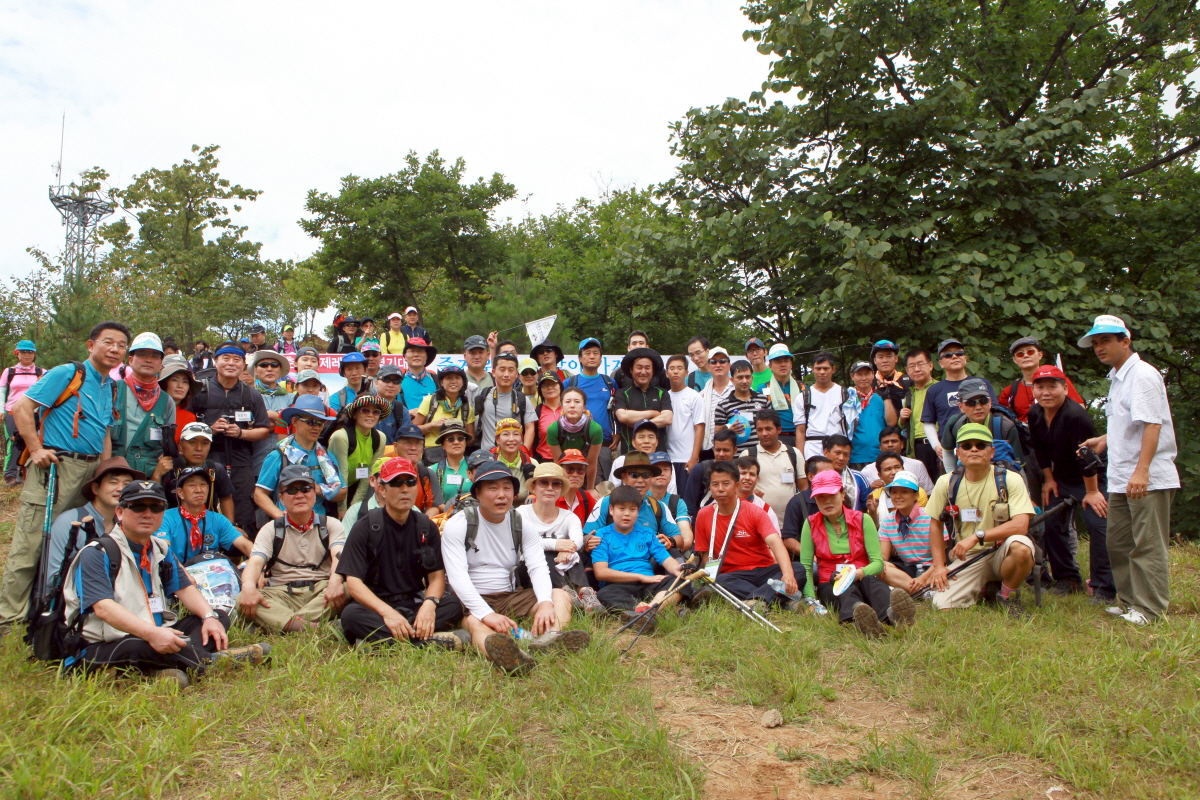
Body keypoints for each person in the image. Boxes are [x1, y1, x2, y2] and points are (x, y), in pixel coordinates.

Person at [61, 480, 268, 687]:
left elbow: (185, 587)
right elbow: (103, 608)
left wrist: (208, 617)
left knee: (216, 617)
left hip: (157, 629)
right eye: (138, 506)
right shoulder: (97, 553)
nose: (147, 513)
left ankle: (157, 672)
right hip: (104, 643)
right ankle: (211, 663)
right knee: (138, 645)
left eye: (156, 507)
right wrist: (151, 634)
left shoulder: (159, 548)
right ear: (120, 512)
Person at [0, 321, 127, 634]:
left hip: (89, 470)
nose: (114, 349)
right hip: (56, 467)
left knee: (76, 538)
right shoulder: (68, 373)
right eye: (108, 342)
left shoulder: (109, 385)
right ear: (90, 345)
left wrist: (106, 470)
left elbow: (105, 431)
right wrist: (36, 448)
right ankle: (11, 620)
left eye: (121, 345)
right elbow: (22, 407)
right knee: (31, 542)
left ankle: (55, 609)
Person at [441, 461, 591, 674]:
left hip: (510, 596)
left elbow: (538, 566)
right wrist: (487, 614)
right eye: (492, 488)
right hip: (471, 600)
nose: (501, 495)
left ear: (515, 492)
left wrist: (545, 603)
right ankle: (510, 661)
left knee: (560, 596)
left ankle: (549, 640)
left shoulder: (520, 523)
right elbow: (457, 577)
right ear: (478, 493)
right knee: (476, 623)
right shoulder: (459, 524)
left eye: (506, 488)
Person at [1078, 315, 1178, 624]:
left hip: (1146, 476)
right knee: (1118, 542)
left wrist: (1142, 470)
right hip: (1122, 476)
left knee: (1146, 544)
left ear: (1126, 340)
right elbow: (1130, 421)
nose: (1099, 347)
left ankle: (1150, 610)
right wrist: (1104, 439)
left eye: (1106, 340)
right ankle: (1130, 601)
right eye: (1095, 343)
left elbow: (1153, 424)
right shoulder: (1118, 377)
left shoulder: (1143, 375)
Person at [918, 422, 1036, 616]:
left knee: (1022, 546)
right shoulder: (946, 482)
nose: (974, 449)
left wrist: (977, 536)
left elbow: (1021, 525)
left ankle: (1008, 595)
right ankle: (984, 588)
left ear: (991, 452)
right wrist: (939, 566)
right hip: (969, 556)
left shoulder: (1010, 479)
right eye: (967, 445)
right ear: (958, 452)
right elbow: (935, 525)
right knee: (942, 605)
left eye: (981, 445)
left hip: (1002, 550)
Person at [1027, 365, 1114, 601]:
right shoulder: (1035, 413)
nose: (1046, 392)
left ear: (1064, 388)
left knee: (1097, 525)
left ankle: (1104, 587)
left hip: (1091, 475)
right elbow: (1040, 449)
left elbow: (1086, 456)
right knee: (1053, 523)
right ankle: (1068, 578)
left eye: (1052, 387)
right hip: (1061, 476)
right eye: (1040, 387)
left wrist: (1093, 492)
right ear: (1033, 389)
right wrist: (1049, 479)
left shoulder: (1076, 416)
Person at [799, 470, 913, 636]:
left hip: (862, 574)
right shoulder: (810, 524)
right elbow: (806, 565)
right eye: (820, 497)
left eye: (832, 495)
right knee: (844, 589)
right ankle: (859, 618)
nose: (827, 501)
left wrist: (858, 573)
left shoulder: (863, 519)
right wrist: (810, 600)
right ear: (815, 500)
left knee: (873, 584)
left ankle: (894, 615)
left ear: (843, 494)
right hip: (831, 582)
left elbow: (878, 563)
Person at [240, 465, 350, 634]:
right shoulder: (271, 529)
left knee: (349, 587)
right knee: (243, 597)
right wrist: (248, 586)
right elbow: (255, 563)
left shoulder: (330, 524)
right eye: (291, 490)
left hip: (321, 591)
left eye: (306, 489)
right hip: (282, 593)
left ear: (315, 494)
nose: (299, 495)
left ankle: (282, 624)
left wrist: (335, 582)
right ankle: (317, 628)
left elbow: (338, 557)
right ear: (281, 498)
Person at [693, 461, 800, 606]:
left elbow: (775, 542)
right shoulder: (704, 514)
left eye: (726, 483)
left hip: (764, 571)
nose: (720, 489)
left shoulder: (754, 511)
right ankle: (777, 599)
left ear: (737, 486)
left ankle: (754, 600)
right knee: (720, 581)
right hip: (732, 575)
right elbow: (705, 554)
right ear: (710, 487)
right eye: (715, 484)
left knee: (798, 569)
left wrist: (787, 574)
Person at [191, 342, 272, 534]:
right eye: (225, 358)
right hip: (207, 458)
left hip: (241, 460)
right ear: (215, 361)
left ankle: (239, 557)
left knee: (243, 512)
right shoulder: (199, 392)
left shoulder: (251, 394)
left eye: (236, 359)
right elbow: (186, 430)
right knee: (205, 506)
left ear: (243, 365)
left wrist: (241, 433)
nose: (231, 363)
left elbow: (264, 430)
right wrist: (209, 430)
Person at [40, 457, 141, 599]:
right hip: (73, 602)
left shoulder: (126, 526)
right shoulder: (69, 521)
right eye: (113, 482)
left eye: (127, 484)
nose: (120, 489)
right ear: (95, 488)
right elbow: (52, 577)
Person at [592, 484, 690, 620]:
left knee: (680, 581)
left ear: (638, 512)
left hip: (648, 584)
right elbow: (601, 573)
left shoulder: (647, 533)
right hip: (618, 585)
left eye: (632, 509)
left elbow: (665, 559)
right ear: (611, 510)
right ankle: (655, 609)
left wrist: (679, 569)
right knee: (604, 595)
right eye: (621, 508)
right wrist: (640, 577)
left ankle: (648, 609)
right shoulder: (601, 535)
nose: (627, 513)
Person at [517, 462, 599, 612]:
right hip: (525, 569)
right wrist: (556, 545)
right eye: (543, 482)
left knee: (573, 552)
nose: (550, 488)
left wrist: (569, 548)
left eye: (556, 484)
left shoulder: (569, 517)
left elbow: (577, 541)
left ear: (561, 489)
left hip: (561, 566)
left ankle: (584, 591)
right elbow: (522, 543)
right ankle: (565, 591)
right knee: (545, 552)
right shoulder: (521, 513)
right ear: (533, 488)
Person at [255, 395, 345, 521]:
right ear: (295, 422)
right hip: (288, 527)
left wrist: (319, 490)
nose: (317, 427)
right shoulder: (278, 455)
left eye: (321, 423)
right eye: (311, 421)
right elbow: (259, 494)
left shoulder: (328, 457)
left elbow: (342, 494)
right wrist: (280, 516)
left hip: (320, 526)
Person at [110, 331, 177, 480]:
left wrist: (157, 476)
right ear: (130, 359)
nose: (148, 360)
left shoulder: (167, 401)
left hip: (145, 479)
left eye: (154, 356)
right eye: (142, 354)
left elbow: (165, 447)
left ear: (161, 363)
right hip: (111, 474)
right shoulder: (112, 390)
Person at [921, 339, 998, 467]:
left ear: (965, 358)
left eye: (959, 353)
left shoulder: (981, 384)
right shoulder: (934, 390)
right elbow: (928, 421)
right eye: (948, 355)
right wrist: (936, 445)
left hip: (982, 447)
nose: (955, 356)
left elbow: (994, 411)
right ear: (940, 363)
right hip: (950, 450)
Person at [586, 452, 685, 550]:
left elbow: (679, 539)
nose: (640, 480)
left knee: (675, 555)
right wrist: (588, 541)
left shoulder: (658, 507)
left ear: (651, 478)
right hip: (610, 559)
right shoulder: (606, 502)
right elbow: (585, 535)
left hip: (648, 562)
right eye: (634, 475)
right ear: (624, 478)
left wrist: (670, 541)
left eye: (646, 475)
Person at [155, 466, 253, 563]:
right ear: (180, 493)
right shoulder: (165, 517)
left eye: (203, 485)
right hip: (176, 573)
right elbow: (163, 549)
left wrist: (257, 564)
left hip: (211, 573)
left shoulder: (218, 519)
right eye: (192, 485)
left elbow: (245, 545)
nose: (199, 490)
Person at [937, 377, 1025, 474]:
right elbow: (947, 452)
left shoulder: (1005, 426)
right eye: (971, 403)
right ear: (961, 406)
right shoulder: (954, 424)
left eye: (983, 401)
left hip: (1001, 479)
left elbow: (1018, 465)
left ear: (990, 402)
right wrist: (952, 477)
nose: (978, 407)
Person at [563, 337, 617, 479]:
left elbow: (616, 409)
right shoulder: (569, 383)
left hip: (604, 445)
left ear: (600, 358)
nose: (592, 356)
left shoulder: (610, 382)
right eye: (587, 353)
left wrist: (617, 433)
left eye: (595, 353)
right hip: (576, 443)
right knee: (575, 482)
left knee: (602, 486)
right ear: (580, 358)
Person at [875, 470, 936, 597]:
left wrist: (923, 578)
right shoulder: (888, 521)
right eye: (894, 492)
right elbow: (883, 558)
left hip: (931, 568)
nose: (898, 496)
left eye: (904, 492)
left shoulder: (930, 517)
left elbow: (940, 558)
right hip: (907, 569)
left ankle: (914, 589)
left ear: (915, 495)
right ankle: (923, 592)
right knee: (881, 566)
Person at [738, 410, 803, 528]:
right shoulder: (748, 455)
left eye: (768, 429)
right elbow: (738, 490)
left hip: (790, 524)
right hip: (756, 524)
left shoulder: (794, 453)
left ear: (779, 429)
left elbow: (804, 489)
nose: (764, 433)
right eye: (760, 430)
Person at [327, 395, 391, 515]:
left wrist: (354, 507)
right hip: (333, 492)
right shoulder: (341, 437)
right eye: (365, 410)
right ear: (355, 414)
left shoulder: (379, 438)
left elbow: (369, 474)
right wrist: (342, 509)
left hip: (354, 489)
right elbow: (342, 474)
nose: (371, 415)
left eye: (375, 412)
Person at [999, 337, 1084, 423]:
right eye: (1020, 354)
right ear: (1014, 359)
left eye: (1030, 351)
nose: (1026, 355)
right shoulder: (1010, 391)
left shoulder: (1059, 381)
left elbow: (1080, 411)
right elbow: (1002, 420)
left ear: (1040, 355)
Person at [162, 423, 236, 521]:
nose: (199, 448)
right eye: (192, 442)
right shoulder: (169, 467)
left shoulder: (215, 469)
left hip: (208, 525)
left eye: (205, 443)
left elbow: (226, 498)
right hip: (173, 524)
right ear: (180, 445)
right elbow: (155, 497)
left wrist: (230, 527)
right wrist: (158, 474)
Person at [613, 347, 673, 454]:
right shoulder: (622, 393)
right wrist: (652, 413)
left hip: (658, 456)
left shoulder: (662, 393)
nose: (643, 372)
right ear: (631, 370)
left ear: (653, 370)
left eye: (647, 368)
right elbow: (623, 416)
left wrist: (637, 423)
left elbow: (667, 418)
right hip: (629, 454)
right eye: (639, 367)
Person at [475, 353, 536, 453]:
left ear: (516, 374)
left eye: (511, 370)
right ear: (494, 372)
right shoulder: (483, 395)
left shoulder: (522, 399)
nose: (506, 374)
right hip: (487, 457)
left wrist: (523, 452)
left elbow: (530, 428)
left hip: (514, 456)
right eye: (502, 369)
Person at [0, 339, 42, 485]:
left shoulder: (40, 372)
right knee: (12, 442)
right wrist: (1, 409)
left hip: (34, 413)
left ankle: (25, 473)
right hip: (11, 411)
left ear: (34, 354)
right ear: (17, 354)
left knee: (32, 441)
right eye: (23, 352)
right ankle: (10, 475)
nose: (26, 355)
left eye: (30, 352)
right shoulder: (10, 372)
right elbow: (2, 390)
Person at [546, 387, 603, 490]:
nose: (572, 405)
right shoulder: (553, 429)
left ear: (584, 407)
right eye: (567, 401)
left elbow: (592, 462)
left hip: (586, 468)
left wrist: (590, 489)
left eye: (577, 402)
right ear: (562, 407)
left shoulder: (595, 429)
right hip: (565, 468)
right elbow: (558, 462)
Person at [795, 352, 849, 459]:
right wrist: (800, 459)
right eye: (818, 368)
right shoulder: (803, 397)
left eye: (826, 368)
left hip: (838, 446)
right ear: (812, 369)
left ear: (833, 369)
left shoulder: (845, 394)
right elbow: (800, 431)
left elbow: (850, 426)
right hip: (812, 447)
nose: (822, 372)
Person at [665, 355, 705, 497]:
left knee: (685, 501)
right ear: (666, 373)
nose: (676, 372)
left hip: (686, 460)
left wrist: (694, 458)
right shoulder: (664, 397)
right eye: (672, 368)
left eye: (680, 368)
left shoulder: (694, 396)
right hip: (668, 460)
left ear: (686, 372)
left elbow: (700, 428)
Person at [411, 364, 475, 452]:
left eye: (457, 378)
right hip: (432, 453)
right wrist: (432, 425)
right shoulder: (430, 401)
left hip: (457, 454)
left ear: (463, 382)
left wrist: (458, 434)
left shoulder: (466, 407)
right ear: (441, 382)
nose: (453, 381)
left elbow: (471, 440)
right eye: (448, 378)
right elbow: (413, 431)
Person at [780, 455, 833, 559]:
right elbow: (789, 540)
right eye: (825, 474)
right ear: (811, 477)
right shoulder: (797, 502)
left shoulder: (839, 497)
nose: (830, 477)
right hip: (811, 559)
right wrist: (812, 556)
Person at [386, 424, 447, 514]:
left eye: (418, 443)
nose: (413, 448)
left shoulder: (427, 473)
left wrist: (422, 524)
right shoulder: (386, 472)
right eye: (408, 443)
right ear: (395, 446)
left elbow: (433, 506)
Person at [847, 360, 897, 470]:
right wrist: (855, 404)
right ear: (852, 376)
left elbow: (891, 422)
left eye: (867, 374)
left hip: (880, 455)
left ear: (873, 375)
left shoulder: (880, 397)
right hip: (856, 456)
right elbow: (847, 428)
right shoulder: (847, 399)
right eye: (859, 374)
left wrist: (886, 397)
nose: (864, 378)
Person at [249, 349, 293, 473]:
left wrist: (267, 417)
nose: (269, 369)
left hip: (286, 466)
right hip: (255, 464)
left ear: (280, 370)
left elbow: (294, 427)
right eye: (263, 365)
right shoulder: (247, 396)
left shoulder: (291, 397)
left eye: (274, 365)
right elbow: (247, 427)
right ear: (256, 371)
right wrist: (281, 421)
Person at [682, 429, 740, 518]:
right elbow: (689, 506)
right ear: (713, 449)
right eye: (718, 450)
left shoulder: (739, 472)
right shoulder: (699, 470)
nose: (721, 454)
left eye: (726, 450)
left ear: (735, 450)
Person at [859, 427, 935, 494]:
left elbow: (928, 493)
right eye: (886, 442)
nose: (890, 445)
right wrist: (870, 488)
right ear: (880, 447)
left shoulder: (917, 465)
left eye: (894, 441)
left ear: (902, 444)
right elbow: (860, 498)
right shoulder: (868, 470)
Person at [902, 348, 940, 480]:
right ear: (907, 370)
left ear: (930, 366)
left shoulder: (940, 388)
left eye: (920, 364)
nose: (916, 369)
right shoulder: (909, 394)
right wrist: (902, 419)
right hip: (917, 446)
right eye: (912, 366)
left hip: (939, 443)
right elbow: (903, 426)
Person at [610, 420, 678, 494]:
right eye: (641, 437)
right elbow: (613, 490)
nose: (646, 441)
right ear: (633, 442)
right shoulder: (621, 461)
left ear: (657, 442)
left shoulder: (666, 462)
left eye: (651, 437)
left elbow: (671, 492)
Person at [714, 360, 769, 448]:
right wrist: (729, 430)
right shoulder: (723, 406)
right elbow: (717, 435)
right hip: (737, 456)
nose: (744, 381)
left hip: (761, 455)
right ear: (731, 380)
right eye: (740, 377)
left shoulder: (763, 400)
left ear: (752, 378)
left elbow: (770, 426)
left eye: (748, 377)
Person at [864, 451, 929, 525]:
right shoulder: (874, 496)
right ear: (880, 475)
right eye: (888, 469)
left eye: (897, 467)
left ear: (903, 469)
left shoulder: (918, 491)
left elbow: (920, 521)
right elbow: (874, 528)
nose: (894, 472)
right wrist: (872, 512)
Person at [646, 451, 693, 551]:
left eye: (665, 469)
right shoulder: (641, 499)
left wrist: (675, 545)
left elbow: (685, 531)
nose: (661, 473)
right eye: (657, 470)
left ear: (671, 474)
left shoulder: (677, 502)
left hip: (671, 550)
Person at [761, 344, 803, 448]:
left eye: (786, 360)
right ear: (770, 365)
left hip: (800, 436)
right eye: (778, 361)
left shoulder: (803, 388)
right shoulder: (762, 388)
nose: (783, 364)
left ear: (791, 364)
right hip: (775, 438)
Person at [428, 420, 473, 511]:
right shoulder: (432, 470)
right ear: (442, 445)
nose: (456, 442)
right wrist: (453, 513)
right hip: (446, 518)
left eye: (460, 438)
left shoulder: (476, 466)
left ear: (465, 442)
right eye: (450, 439)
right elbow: (434, 502)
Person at [697, 346, 734, 458]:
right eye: (713, 361)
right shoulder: (701, 395)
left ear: (729, 365)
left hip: (737, 447)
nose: (718, 365)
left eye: (722, 361)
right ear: (709, 366)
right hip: (709, 449)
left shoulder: (741, 390)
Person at [490, 418, 536, 501]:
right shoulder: (490, 463)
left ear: (521, 438)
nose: (511, 439)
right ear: (498, 440)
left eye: (516, 434)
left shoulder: (531, 463)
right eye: (506, 434)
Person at [158, 354, 200, 444]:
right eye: (174, 380)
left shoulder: (189, 418)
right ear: (164, 383)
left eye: (185, 381)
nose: (180, 386)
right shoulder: (151, 412)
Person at [733, 456, 781, 533]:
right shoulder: (721, 504)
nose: (747, 478)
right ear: (734, 476)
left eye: (752, 474)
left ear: (757, 479)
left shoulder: (765, 509)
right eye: (743, 473)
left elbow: (775, 541)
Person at [824, 434, 870, 513]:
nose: (841, 458)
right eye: (837, 453)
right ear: (826, 452)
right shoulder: (817, 476)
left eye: (846, 454)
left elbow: (868, 506)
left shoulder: (858, 478)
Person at [870, 340, 912, 424]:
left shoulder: (908, 380)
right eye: (880, 357)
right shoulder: (870, 383)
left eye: (889, 356)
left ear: (896, 358)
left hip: (904, 431)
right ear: (875, 360)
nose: (885, 360)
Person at [370, 364, 412, 443]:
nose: (391, 385)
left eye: (396, 381)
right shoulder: (363, 405)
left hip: (392, 454)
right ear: (376, 383)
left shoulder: (402, 411)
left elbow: (405, 441)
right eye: (386, 379)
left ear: (400, 387)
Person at [556, 449, 598, 528]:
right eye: (569, 470)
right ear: (559, 471)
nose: (575, 474)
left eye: (580, 470)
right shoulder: (549, 497)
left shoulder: (587, 498)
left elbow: (596, 527)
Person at [531, 372, 565, 461]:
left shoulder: (569, 409)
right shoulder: (535, 412)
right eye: (545, 385)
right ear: (540, 390)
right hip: (543, 461)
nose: (550, 387)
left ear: (560, 386)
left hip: (568, 460)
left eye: (553, 384)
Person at [401, 337, 438, 410]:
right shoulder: (396, 381)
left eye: (420, 351)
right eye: (412, 351)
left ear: (427, 356)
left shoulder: (437, 380)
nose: (416, 355)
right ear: (405, 356)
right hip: (404, 421)